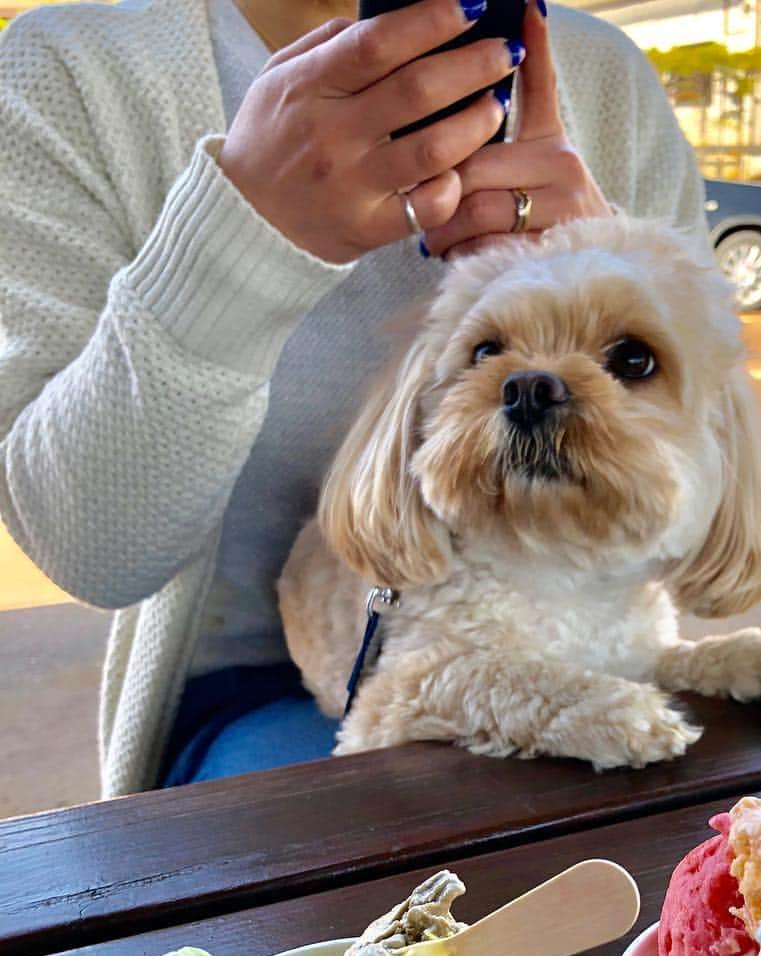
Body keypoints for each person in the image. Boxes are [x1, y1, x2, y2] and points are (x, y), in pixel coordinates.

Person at [0, 0, 710, 797]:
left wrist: (615, 278)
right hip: (265, 689)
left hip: (587, 639)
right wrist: (237, 238)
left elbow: (716, 482)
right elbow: (94, 546)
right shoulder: (71, 70)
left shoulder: (609, 81)